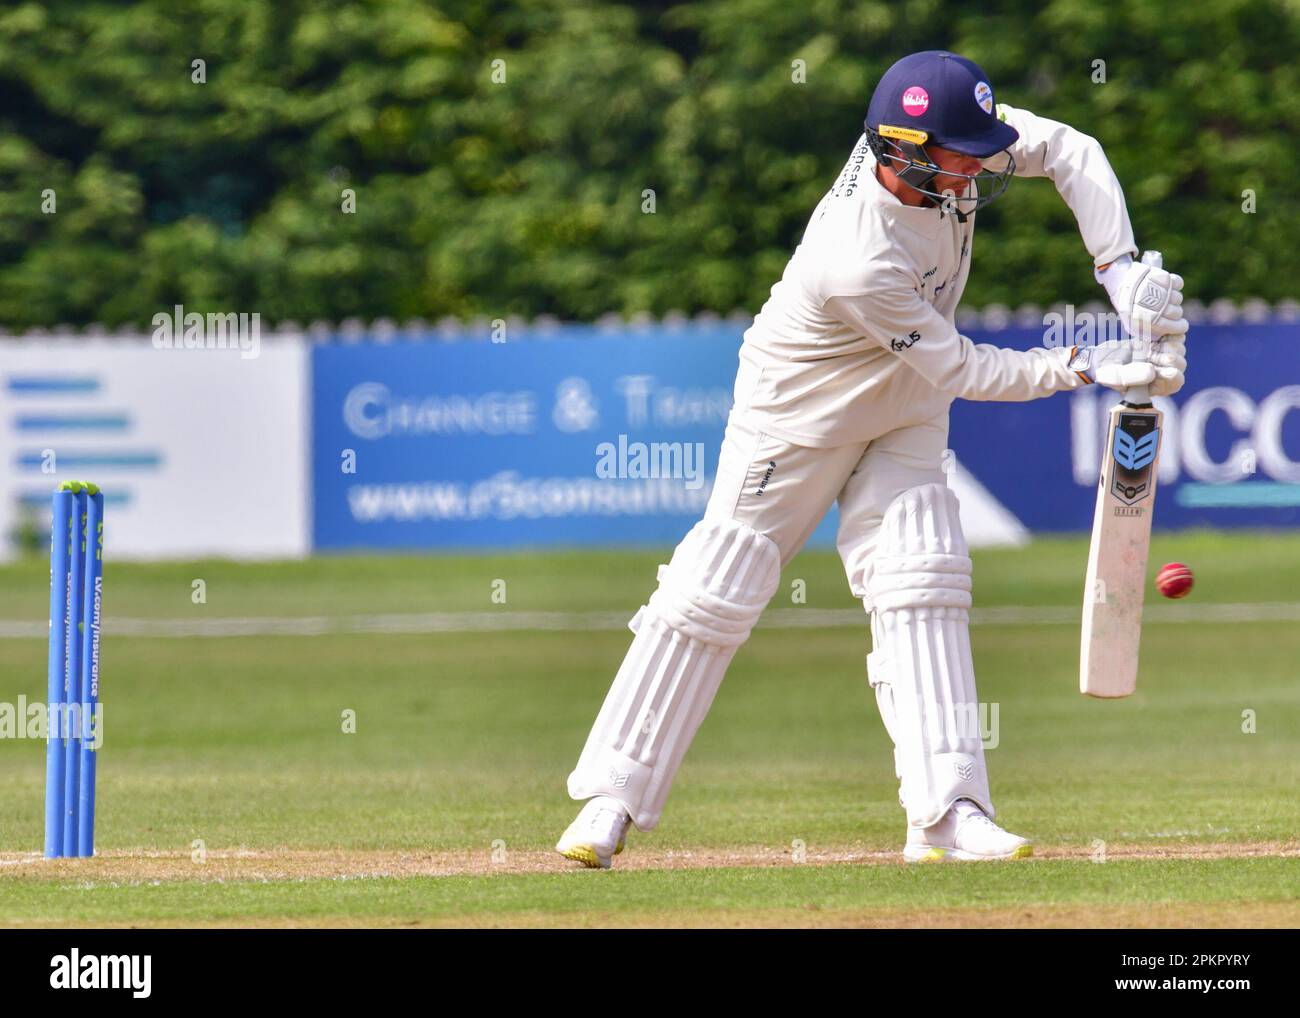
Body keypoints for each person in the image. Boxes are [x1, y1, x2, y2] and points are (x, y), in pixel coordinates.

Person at [556, 50, 1188, 867]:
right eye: (959, 154)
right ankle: (611, 800)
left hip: (905, 407)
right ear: (903, 153)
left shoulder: (951, 148)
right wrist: (1081, 365)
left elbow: (1073, 151)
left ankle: (948, 812)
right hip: (798, 415)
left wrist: (1121, 271)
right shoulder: (858, 255)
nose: (977, 167)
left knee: (923, 576)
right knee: (716, 585)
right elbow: (960, 367)